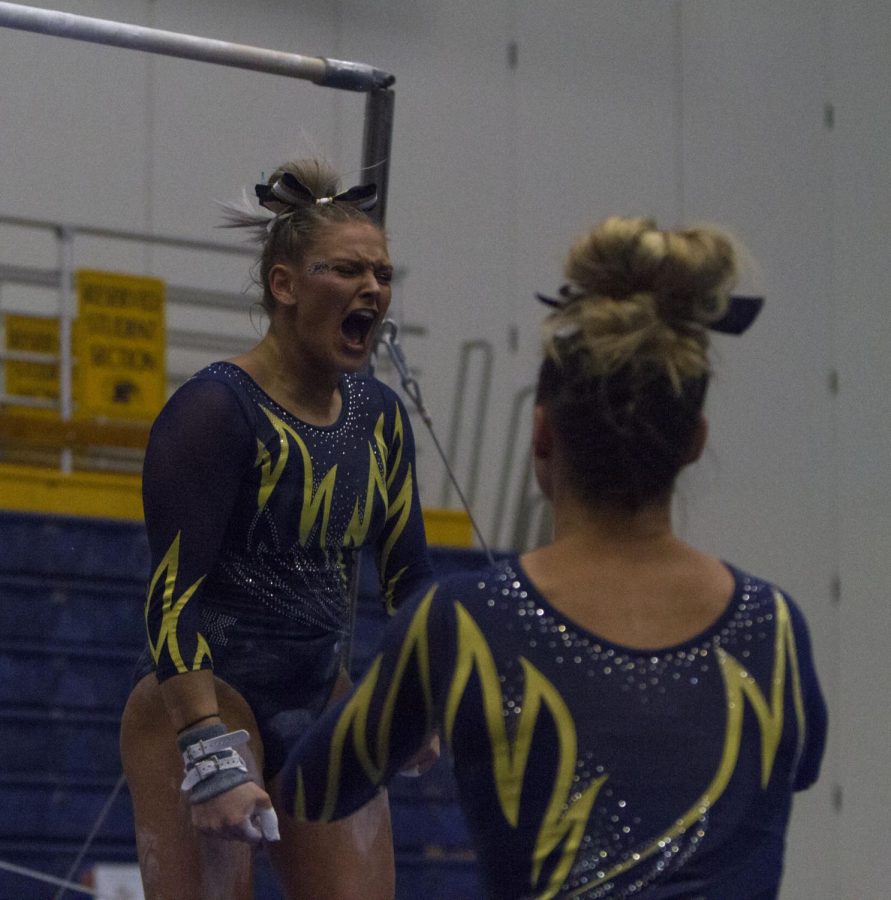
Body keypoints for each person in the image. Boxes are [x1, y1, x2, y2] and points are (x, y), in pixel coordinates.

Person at [280, 216, 827, 899]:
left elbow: (312, 788)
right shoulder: (770, 624)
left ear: (541, 435)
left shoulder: (464, 620)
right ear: (693, 442)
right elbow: (793, 768)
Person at [119, 158, 434, 900]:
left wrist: (416, 697)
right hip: (199, 695)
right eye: (348, 271)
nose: (372, 290)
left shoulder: (379, 420)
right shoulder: (213, 412)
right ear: (284, 285)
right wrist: (207, 749)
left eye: (383, 274)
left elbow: (409, 579)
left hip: (319, 696)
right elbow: (172, 596)